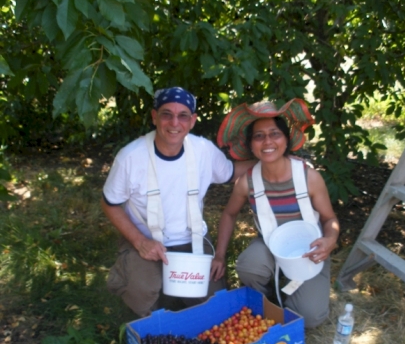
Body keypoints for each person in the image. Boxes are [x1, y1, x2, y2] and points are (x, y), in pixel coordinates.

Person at [101, 87, 254, 318]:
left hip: (190, 240)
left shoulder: (203, 150)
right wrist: (140, 241)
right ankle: (136, 281)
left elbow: (231, 172)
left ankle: (174, 290)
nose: (175, 122)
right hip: (146, 241)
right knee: (142, 293)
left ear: (192, 121)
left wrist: (270, 159)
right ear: (154, 117)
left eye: (183, 115)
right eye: (166, 114)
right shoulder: (130, 157)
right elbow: (110, 203)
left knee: (216, 309)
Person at [212, 99, 340, 328]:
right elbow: (229, 214)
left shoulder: (308, 177)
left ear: (286, 140)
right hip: (271, 245)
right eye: (259, 136)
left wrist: (330, 240)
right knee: (249, 265)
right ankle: (267, 295)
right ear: (251, 145)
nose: (267, 141)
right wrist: (220, 255)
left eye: (275, 134)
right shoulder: (248, 182)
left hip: (309, 251)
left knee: (310, 318)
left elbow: (330, 219)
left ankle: (293, 291)